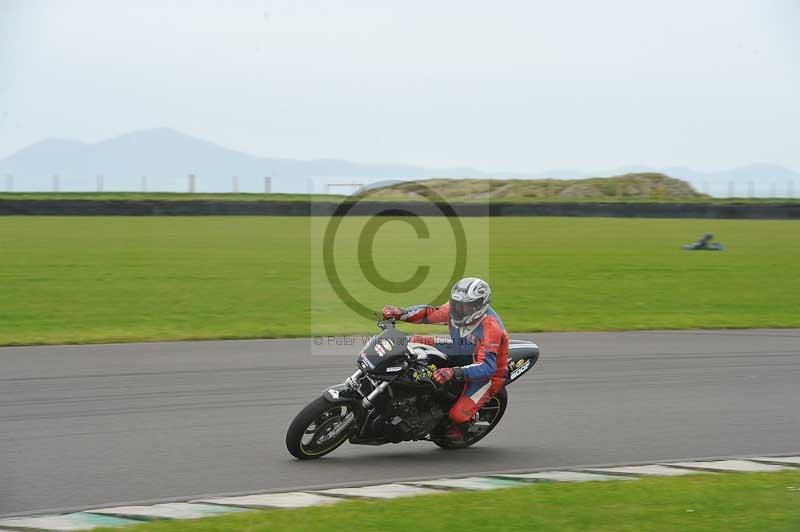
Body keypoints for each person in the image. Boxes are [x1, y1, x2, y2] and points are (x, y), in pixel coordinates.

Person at [382, 277, 508, 441]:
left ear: (479, 306)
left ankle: (465, 426)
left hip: (487, 375)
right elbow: (428, 314)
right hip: (459, 349)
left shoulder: (491, 329)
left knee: (457, 415)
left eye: (463, 305)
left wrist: (452, 371)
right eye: (455, 303)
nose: (457, 309)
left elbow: (486, 366)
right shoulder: (454, 311)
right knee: (413, 340)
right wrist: (400, 313)